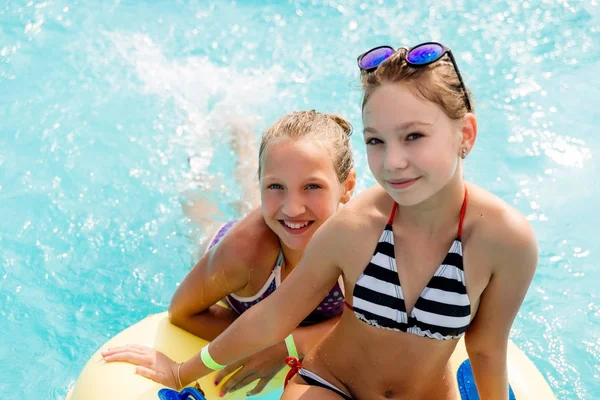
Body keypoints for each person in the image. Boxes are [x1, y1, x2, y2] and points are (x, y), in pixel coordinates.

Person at [103, 42, 538, 400]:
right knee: (231, 220)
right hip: (332, 385)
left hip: (428, 393)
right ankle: (226, 154)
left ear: (465, 134)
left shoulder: (506, 241)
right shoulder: (356, 227)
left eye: (413, 136)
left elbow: (484, 346)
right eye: (376, 140)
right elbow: (272, 315)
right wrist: (182, 372)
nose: (393, 161)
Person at [156, 110, 356, 396]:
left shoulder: (357, 244)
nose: (293, 206)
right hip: (238, 250)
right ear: (261, 182)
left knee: (278, 216)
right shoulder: (243, 253)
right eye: (275, 186)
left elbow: (370, 326)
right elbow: (182, 313)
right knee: (200, 211)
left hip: (278, 230)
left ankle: (243, 139)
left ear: (346, 188)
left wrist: (287, 345)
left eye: (312, 186)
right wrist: (258, 342)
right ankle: (206, 150)